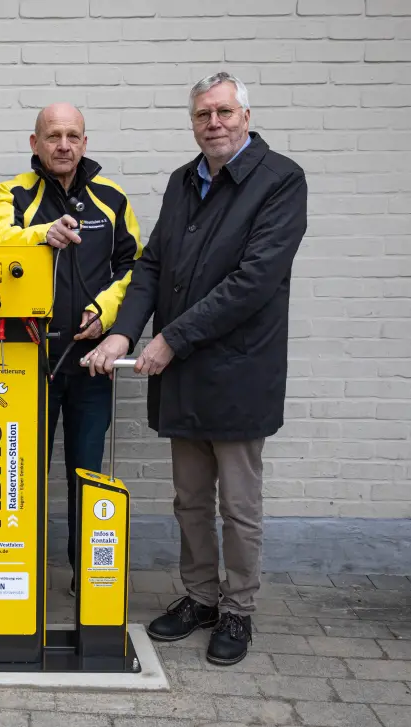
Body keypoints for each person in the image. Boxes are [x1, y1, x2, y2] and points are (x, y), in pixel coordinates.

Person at [85, 72, 308, 666]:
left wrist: (171, 339)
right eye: (203, 115)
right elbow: (152, 265)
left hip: (238, 370)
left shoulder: (280, 180)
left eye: (224, 112)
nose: (214, 123)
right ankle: (201, 597)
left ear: (245, 116)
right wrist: (123, 331)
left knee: (237, 505)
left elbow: (253, 281)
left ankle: (238, 608)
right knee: (189, 498)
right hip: (183, 370)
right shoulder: (184, 181)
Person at [0, 103, 142, 595]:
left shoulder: (112, 199)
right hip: (26, 363)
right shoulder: (11, 193)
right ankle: (23, 572)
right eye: (53, 136)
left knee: (86, 473)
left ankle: (85, 577)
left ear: (85, 143)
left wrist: (105, 312)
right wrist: (43, 234)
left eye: (73, 136)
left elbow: (135, 269)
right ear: (35, 143)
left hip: (91, 364)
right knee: (21, 476)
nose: (63, 145)